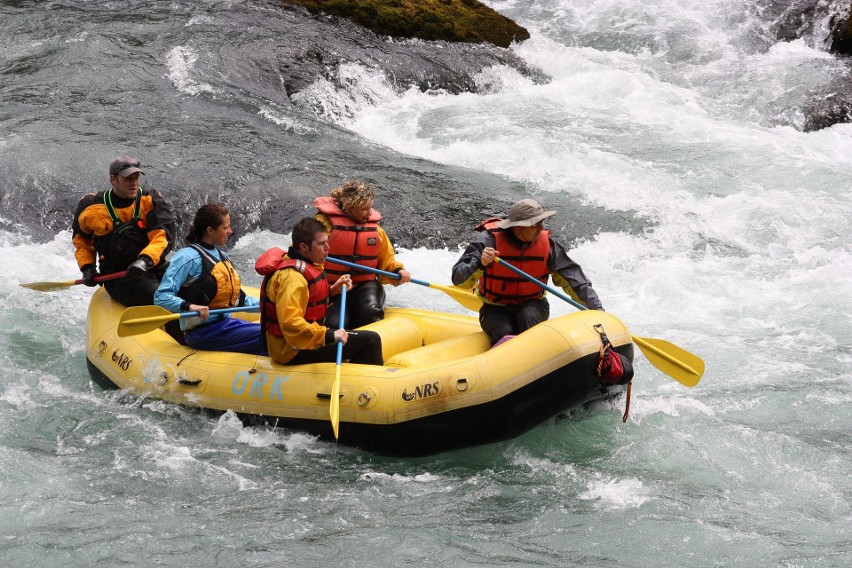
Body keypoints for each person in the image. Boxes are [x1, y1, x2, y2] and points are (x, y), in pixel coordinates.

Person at [451, 199, 604, 346]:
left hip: (534, 304)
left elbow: (575, 280)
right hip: (494, 308)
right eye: (535, 224)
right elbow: (458, 279)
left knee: (527, 321)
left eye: (541, 223)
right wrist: (480, 263)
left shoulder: (548, 247)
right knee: (503, 332)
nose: (541, 228)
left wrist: (597, 310)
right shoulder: (488, 241)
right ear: (518, 227)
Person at [255, 217, 384, 366]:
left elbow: (308, 303)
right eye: (322, 244)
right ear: (303, 247)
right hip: (292, 349)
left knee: (351, 333)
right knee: (370, 340)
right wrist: (328, 335)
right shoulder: (292, 278)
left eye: (327, 241)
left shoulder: (303, 264)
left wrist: (332, 292)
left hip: (299, 341)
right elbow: (290, 324)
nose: (328, 248)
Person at [154, 204, 266, 355]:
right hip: (202, 332)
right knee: (268, 336)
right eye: (225, 228)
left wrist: (268, 305)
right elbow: (161, 296)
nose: (230, 231)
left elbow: (239, 299)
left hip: (225, 325)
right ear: (210, 230)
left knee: (273, 330)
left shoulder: (222, 257)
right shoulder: (187, 257)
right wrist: (190, 306)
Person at [72, 156, 176, 307]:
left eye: (136, 177)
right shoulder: (91, 205)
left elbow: (163, 236)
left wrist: (145, 261)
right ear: (113, 180)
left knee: (198, 289)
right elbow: (82, 240)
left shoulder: (149, 199)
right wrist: (87, 267)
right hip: (121, 278)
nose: (134, 183)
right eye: (128, 178)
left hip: (154, 268)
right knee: (165, 299)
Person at [314, 180, 411, 329]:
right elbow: (307, 257)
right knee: (335, 324)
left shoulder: (376, 231)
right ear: (350, 207)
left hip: (365, 286)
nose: (370, 212)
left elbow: (387, 262)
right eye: (365, 209)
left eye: (370, 207)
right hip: (332, 287)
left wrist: (398, 271)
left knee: (371, 314)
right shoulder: (323, 225)